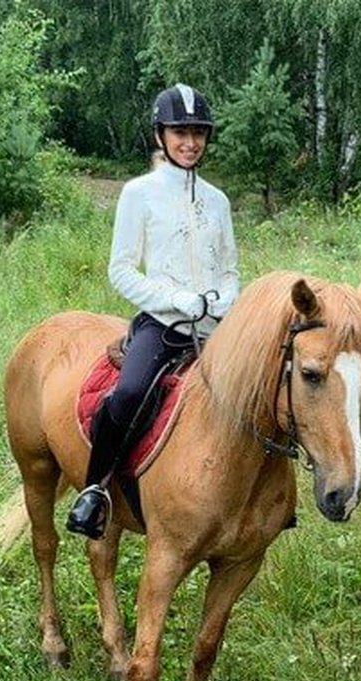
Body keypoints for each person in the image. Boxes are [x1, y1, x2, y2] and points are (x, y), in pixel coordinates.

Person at [66, 83, 240, 538]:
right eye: (180, 132)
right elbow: (121, 271)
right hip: (162, 328)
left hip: (216, 329)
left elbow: (230, 272)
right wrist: (173, 299)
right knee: (127, 395)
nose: (190, 142)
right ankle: (95, 491)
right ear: (160, 134)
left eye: (198, 133)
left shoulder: (218, 201)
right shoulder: (138, 193)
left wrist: (225, 299)